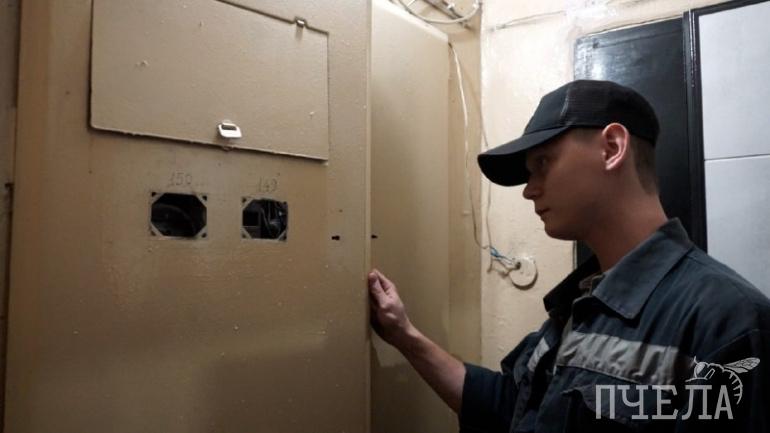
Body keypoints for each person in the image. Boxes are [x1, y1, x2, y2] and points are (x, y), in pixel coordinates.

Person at [368, 80, 770, 432]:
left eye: (542, 163)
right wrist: (405, 335)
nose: (529, 190)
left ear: (612, 148)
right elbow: (509, 406)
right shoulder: (581, 305)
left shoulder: (726, 320)